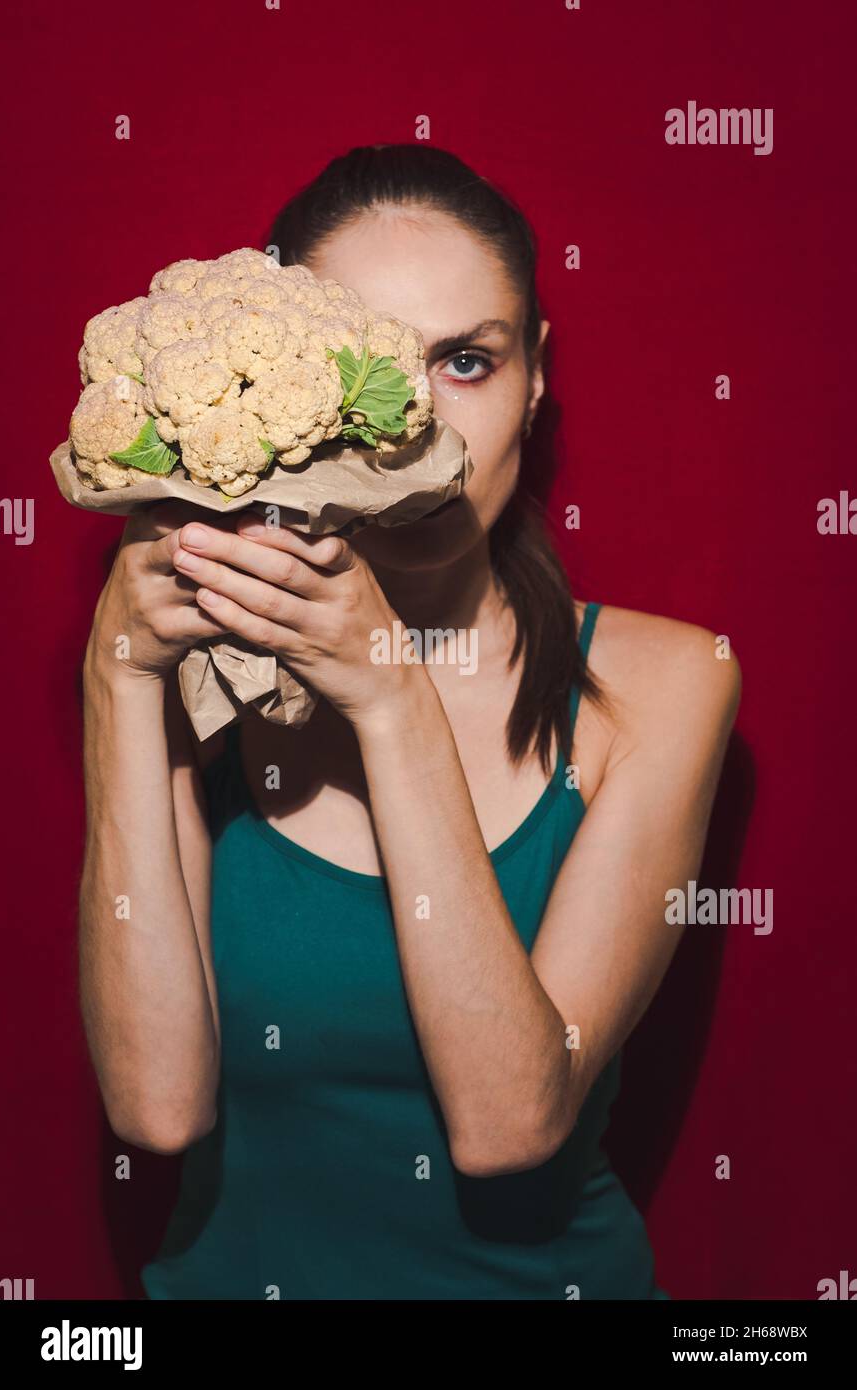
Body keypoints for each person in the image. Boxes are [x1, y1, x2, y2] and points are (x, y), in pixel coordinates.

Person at [78, 144, 741, 1300]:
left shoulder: (666, 685)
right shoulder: (207, 678)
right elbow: (155, 1106)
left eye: (466, 362)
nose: (417, 433)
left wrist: (390, 692)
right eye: (370, 370)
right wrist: (117, 682)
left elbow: (508, 1120)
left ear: (536, 375)